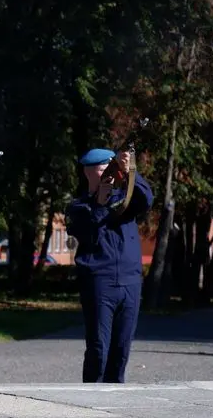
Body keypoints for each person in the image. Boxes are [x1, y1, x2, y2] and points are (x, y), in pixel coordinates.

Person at [65, 147, 154, 383]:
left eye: (112, 168)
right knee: (99, 348)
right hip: (99, 282)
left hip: (130, 281)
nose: (110, 174)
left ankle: (116, 396)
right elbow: (88, 232)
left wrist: (130, 169)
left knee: (121, 349)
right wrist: (99, 204)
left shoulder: (124, 200)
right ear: (88, 172)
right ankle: (92, 395)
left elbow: (146, 200)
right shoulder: (79, 207)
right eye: (104, 169)